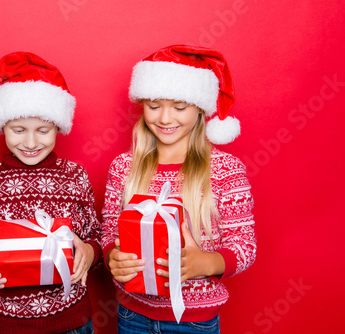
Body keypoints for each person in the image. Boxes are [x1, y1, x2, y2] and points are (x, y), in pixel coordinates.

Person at [101, 45, 256, 333]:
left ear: (200, 108)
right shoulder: (123, 166)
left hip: (195, 322)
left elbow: (245, 246)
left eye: (180, 107)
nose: (164, 118)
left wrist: (206, 263)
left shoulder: (225, 170)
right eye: (154, 105)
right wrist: (112, 257)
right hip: (132, 316)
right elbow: (109, 231)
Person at [0, 52, 102, 334]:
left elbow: (95, 236)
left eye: (43, 130)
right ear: (2, 128)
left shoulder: (74, 176)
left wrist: (89, 251)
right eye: (19, 130)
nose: (31, 142)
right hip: (9, 323)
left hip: (71, 320)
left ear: (58, 126)